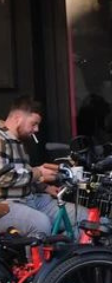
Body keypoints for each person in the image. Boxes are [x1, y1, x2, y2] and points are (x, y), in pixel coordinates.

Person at [0, 96, 65, 236]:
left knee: (78, 217)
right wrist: (38, 172)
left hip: (30, 199)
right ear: (18, 118)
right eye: (33, 123)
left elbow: (20, 174)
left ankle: (79, 258)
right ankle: (36, 258)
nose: (36, 129)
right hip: (5, 206)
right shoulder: (1, 139)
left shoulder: (17, 141)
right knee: (40, 224)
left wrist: (44, 187)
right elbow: (3, 177)